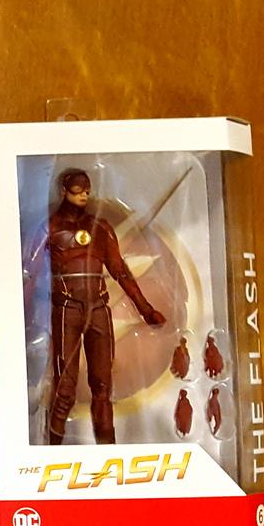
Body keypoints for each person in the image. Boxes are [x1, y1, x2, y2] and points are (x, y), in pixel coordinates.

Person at [43, 168, 166, 443]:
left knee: (102, 388)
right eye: (78, 190)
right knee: (65, 389)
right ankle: (51, 450)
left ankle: (108, 450)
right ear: (64, 191)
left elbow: (120, 271)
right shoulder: (50, 227)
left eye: (87, 190)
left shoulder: (99, 228)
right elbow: (29, 272)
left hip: (98, 308)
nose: (83, 195)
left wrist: (145, 309)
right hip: (67, 309)